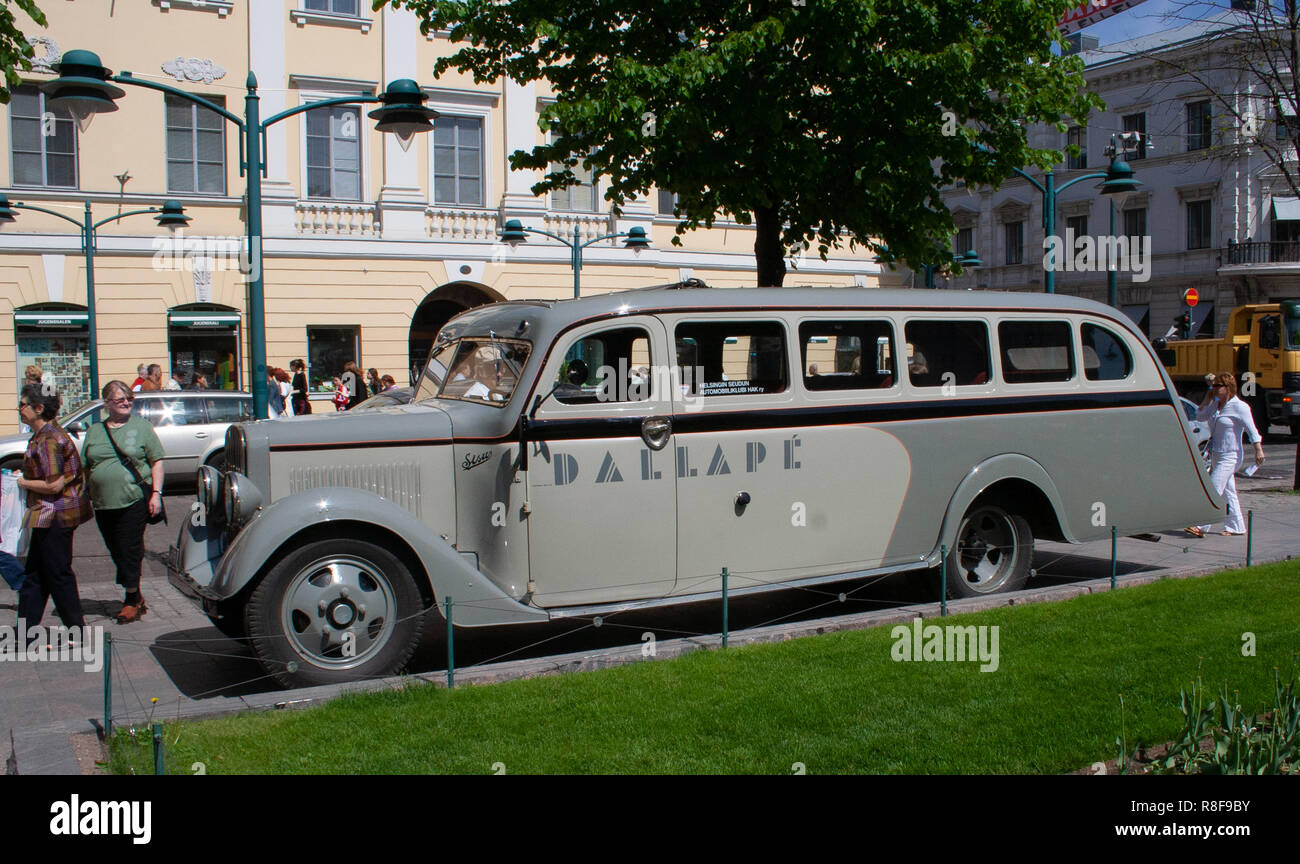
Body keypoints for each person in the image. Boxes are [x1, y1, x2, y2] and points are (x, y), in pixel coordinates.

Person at [82, 381, 165, 624]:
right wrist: (87, 495)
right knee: (116, 549)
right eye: (120, 400)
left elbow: (156, 461)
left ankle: (130, 600)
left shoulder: (142, 427)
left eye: (129, 399)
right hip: (103, 503)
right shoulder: (94, 431)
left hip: (134, 500)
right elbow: (86, 466)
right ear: (107, 403)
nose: (127, 403)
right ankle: (136, 593)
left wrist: (156, 494)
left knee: (130, 548)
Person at [15, 384, 92, 630]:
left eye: (23, 404)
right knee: (36, 574)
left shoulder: (49, 439)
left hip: (56, 515)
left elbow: (54, 485)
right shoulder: (42, 435)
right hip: (46, 514)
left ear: (39, 408)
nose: (19, 408)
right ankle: (26, 631)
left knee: (57, 574)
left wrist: (22, 482)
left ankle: (75, 629)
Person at [1186, 372, 1265, 538]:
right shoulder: (1215, 405)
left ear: (1228, 387)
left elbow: (1252, 430)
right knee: (1229, 491)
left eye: (1217, 386)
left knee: (1214, 487)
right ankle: (1236, 526)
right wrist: (1208, 398)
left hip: (1231, 455)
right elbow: (1200, 416)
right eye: (1213, 386)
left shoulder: (1240, 407)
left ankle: (1201, 525)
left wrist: (1258, 450)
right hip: (1216, 453)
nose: (1214, 389)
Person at [18, 365, 41, 434]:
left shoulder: (39, 390)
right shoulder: (29, 389)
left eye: (28, 378)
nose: (26, 381)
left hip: (37, 423)